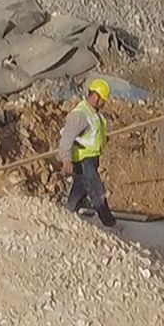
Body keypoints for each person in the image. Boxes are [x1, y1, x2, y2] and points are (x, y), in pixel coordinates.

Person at [55, 77, 114, 226]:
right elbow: (67, 137)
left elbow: (92, 133)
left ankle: (68, 212)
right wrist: (66, 158)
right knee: (96, 189)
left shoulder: (93, 112)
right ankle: (108, 222)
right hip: (83, 159)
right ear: (95, 96)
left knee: (80, 188)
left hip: (91, 157)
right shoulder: (81, 114)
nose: (104, 103)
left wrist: (102, 139)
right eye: (103, 100)